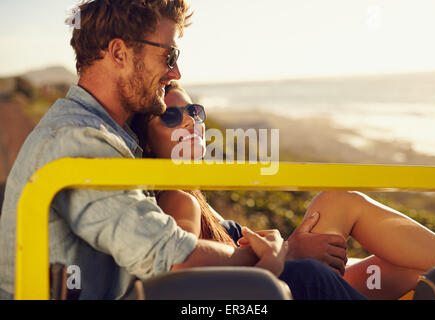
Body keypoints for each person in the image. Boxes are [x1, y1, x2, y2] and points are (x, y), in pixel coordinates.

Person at [0, 0, 364, 300]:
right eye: (169, 55)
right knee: (297, 283)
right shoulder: (80, 139)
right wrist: (265, 256)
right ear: (118, 52)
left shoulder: (105, 131)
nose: (176, 72)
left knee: (304, 277)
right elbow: (170, 257)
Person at [130, 81, 435, 300]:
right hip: (277, 286)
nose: (188, 122)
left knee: (407, 272)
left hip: (283, 274)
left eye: (194, 111)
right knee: (338, 202)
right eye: (171, 116)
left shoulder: (192, 194)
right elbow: (180, 267)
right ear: (146, 141)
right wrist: (286, 255)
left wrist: (285, 249)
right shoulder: (177, 198)